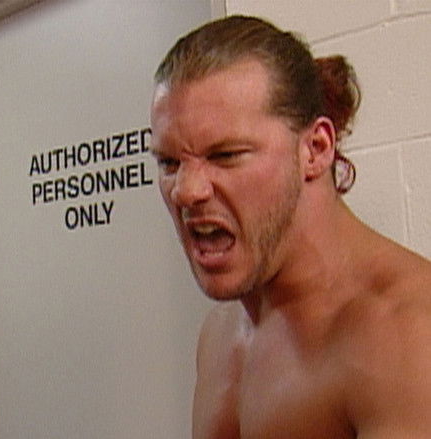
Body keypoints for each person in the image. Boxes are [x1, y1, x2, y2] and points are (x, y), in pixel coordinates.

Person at [150, 15, 431, 438]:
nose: (186, 192)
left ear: (315, 149)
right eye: (169, 163)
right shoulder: (221, 333)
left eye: (226, 155)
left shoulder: (406, 337)